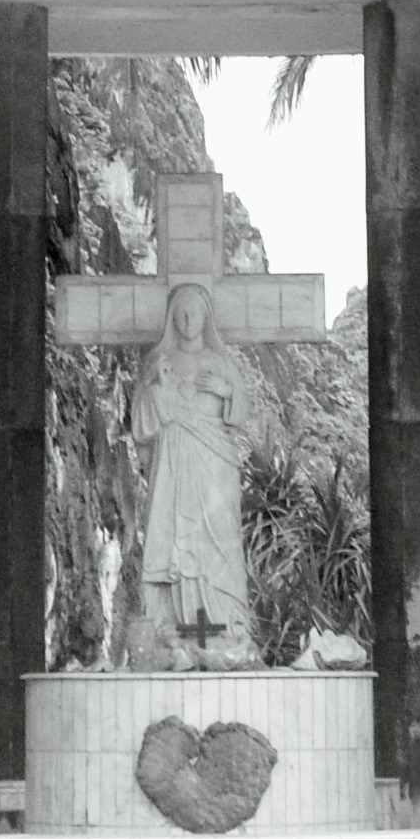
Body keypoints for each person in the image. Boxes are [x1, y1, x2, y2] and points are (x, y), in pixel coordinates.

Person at [127, 276, 257, 668]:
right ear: (172, 318)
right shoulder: (158, 362)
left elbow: (240, 415)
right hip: (172, 465)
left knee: (220, 543)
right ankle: (172, 633)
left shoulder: (222, 363)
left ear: (206, 317)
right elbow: (141, 422)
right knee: (173, 544)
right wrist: (159, 390)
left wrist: (226, 391)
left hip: (214, 466)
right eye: (181, 313)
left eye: (195, 312)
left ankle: (226, 632)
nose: (188, 319)